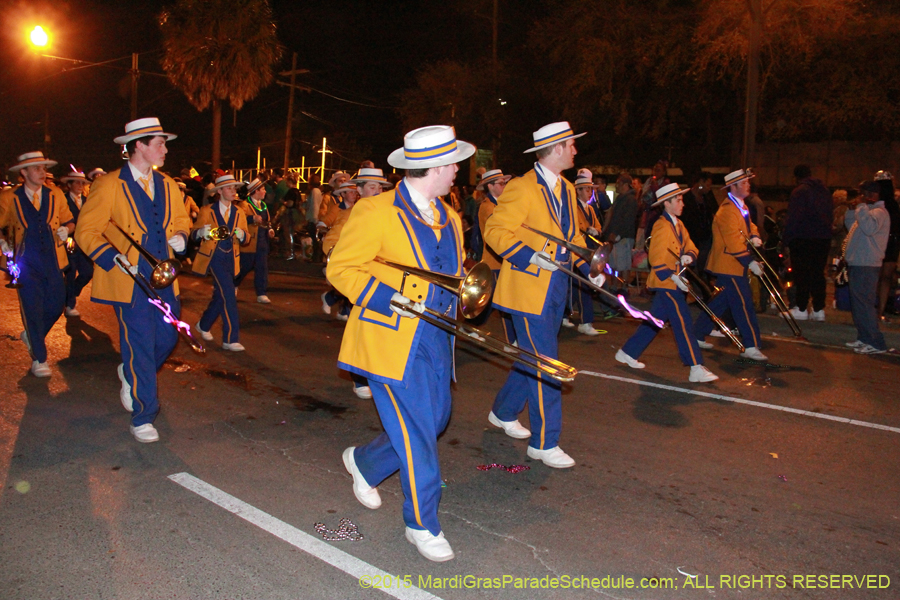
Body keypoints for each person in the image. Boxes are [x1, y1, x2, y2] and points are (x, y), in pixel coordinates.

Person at [327, 125, 473, 562]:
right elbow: (341, 268)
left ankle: (365, 463)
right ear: (433, 166)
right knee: (417, 436)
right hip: (388, 338)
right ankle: (421, 524)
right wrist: (389, 298)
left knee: (435, 421)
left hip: (436, 337)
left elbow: (453, 270)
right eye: (452, 164)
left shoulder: (450, 215)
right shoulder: (376, 211)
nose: (457, 171)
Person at [483, 121, 604, 469]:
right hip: (527, 287)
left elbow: (574, 238)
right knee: (546, 363)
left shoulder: (565, 188)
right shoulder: (522, 187)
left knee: (532, 357)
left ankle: (503, 411)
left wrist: (591, 270)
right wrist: (527, 255)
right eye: (571, 145)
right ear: (556, 149)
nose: (575, 150)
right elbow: (495, 229)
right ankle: (544, 442)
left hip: (555, 288)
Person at [74, 118, 191, 442]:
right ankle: (143, 415)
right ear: (139, 145)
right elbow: (86, 231)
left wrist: (181, 234)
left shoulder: (168, 184)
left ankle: (129, 373)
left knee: (168, 339)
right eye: (160, 143)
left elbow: (181, 218)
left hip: (165, 277)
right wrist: (111, 257)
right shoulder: (109, 184)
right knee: (139, 344)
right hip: (130, 279)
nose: (165, 149)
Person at [616, 184, 718, 382]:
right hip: (667, 282)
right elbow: (656, 258)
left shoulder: (678, 225)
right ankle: (695, 366)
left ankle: (628, 352)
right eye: (678, 200)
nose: (682, 204)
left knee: (655, 321)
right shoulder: (661, 226)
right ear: (667, 203)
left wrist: (689, 256)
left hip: (676, 281)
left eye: (681, 200)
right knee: (683, 322)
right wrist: (673, 276)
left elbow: (691, 246)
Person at [0, 151, 74, 377]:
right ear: (24, 172)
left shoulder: (56, 194)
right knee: (32, 306)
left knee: (56, 304)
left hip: (53, 259)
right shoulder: (9, 197)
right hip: (25, 261)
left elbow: (70, 221)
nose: (42, 172)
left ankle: (32, 335)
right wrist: (2, 242)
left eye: (43, 168)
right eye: (36, 168)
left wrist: (66, 230)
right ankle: (40, 358)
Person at [321, 167, 392, 400]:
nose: (378, 191)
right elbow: (331, 239)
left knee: (382, 330)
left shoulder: (390, 211)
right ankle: (359, 378)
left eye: (380, 187)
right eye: (373, 186)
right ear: (359, 190)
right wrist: (339, 256)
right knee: (361, 330)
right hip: (361, 279)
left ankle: (381, 373)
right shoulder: (351, 214)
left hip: (384, 277)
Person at [694, 169, 768, 361]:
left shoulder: (739, 206)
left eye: (747, 182)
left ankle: (696, 333)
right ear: (732, 187)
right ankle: (751, 345)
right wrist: (750, 261)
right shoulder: (727, 210)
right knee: (743, 305)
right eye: (743, 183)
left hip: (734, 264)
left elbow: (749, 224)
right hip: (730, 264)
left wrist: (755, 235)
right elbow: (733, 241)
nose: (747, 185)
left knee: (722, 302)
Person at [192, 174, 249, 351]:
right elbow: (193, 234)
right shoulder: (207, 210)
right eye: (229, 188)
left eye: (235, 188)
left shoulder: (239, 212)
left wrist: (243, 235)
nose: (233, 191)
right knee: (229, 293)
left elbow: (246, 237)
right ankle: (231, 339)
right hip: (214, 257)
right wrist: (201, 232)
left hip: (232, 258)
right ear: (220, 191)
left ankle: (203, 324)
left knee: (221, 296)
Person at [844, 181, 890, 354]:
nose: (860, 197)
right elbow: (851, 227)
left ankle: (876, 342)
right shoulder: (866, 212)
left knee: (865, 303)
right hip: (858, 261)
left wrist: (861, 206)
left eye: (863, 194)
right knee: (858, 304)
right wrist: (851, 209)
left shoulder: (879, 213)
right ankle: (864, 337)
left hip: (867, 263)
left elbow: (869, 228)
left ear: (871, 194)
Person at [782, 165, 832, 322]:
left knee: (801, 273)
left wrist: (786, 240)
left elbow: (793, 219)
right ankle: (818, 309)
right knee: (818, 273)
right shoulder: (824, 190)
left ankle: (802, 308)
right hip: (823, 238)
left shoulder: (799, 192)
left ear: (796, 177)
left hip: (803, 237)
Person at [474, 169, 515, 341]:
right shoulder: (487, 207)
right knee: (501, 302)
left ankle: (471, 327)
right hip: (494, 261)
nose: (505, 186)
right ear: (490, 186)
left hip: (502, 260)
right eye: (501, 183)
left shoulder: (501, 204)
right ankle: (511, 341)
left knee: (493, 301)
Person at [568, 175, 603, 335]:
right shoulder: (573, 208)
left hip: (590, 252)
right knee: (583, 287)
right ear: (578, 191)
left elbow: (598, 226)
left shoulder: (590, 209)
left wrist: (596, 230)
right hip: (578, 252)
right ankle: (585, 321)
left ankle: (564, 314)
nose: (590, 192)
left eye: (591, 189)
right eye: (587, 189)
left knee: (576, 287)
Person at [60, 169, 94, 318]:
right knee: (71, 272)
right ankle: (70, 304)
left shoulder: (87, 201)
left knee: (87, 272)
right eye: (77, 182)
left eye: (82, 183)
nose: (80, 185)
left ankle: (70, 294)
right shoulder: (63, 200)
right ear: (69, 184)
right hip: (69, 241)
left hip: (84, 242)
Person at [234, 177, 273, 304]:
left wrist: (270, 229)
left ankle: (261, 293)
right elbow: (240, 219)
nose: (265, 192)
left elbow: (267, 221)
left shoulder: (263, 205)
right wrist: (252, 219)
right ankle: (234, 285)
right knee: (245, 267)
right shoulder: (245, 204)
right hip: (250, 242)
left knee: (262, 268)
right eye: (263, 190)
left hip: (262, 242)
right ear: (256, 191)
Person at [602, 173, 639, 292]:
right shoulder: (621, 198)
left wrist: (617, 234)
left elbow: (628, 220)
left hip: (624, 237)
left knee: (624, 264)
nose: (617, 186)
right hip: (617, 236)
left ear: (625, 185)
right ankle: (615, 286)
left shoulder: (630, 200)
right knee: (615, 263)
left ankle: (624, 287)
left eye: (619, 183)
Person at [874, 171, 899, 318]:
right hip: (893, 241)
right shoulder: (894, 204)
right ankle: (880, 311)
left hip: (879, 240)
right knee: (886, 278)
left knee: (875, 276)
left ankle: (873, 309)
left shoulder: (877, 203)